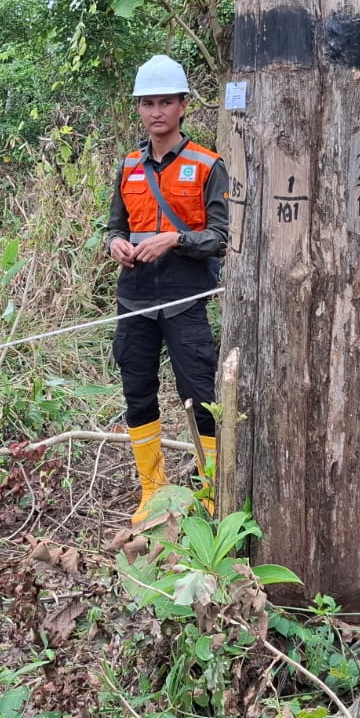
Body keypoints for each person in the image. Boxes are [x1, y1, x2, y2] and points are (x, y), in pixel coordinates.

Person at [105, 54, 228, 526]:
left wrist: (176, 239)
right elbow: (113, 226)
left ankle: (212, 489)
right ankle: (151, 490)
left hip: (185, 301)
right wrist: (115, 243)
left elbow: (222, 236)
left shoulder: (206, 165)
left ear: (183, 106)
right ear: (140, 108)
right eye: (148, 103)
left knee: (199, 394)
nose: (156, 111)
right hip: (133, 299)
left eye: (166, 102)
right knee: (138, 393)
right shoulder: (128, 166)